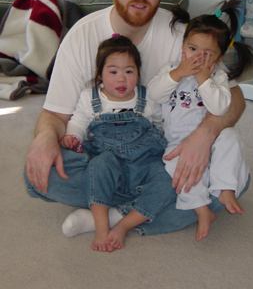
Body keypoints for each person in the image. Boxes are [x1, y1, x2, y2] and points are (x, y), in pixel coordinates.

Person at [25, 0, 249, 237]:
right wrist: (44, 137)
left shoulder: (184, 36)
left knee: (233, 178)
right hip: (102, 158)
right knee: (42, 173)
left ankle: (108, 212)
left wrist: (202, 137)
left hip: (161, 155)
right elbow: (55, 113)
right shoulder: (82, 35)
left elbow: (235, 100)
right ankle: (153, 205)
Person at [148, 0, 253, 241]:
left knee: (231, 138)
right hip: (177, 141)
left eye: (207, 54)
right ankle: (200, 207)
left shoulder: (218, 76)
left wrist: (204, 80)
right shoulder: (171, 68)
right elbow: (155, 94)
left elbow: (220, 108)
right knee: (174, 166)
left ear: (218, 58)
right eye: (193, 49)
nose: (197, 57)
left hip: (212, 135)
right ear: (183, 47)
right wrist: (177, 74)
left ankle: (225, 188)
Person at [59, 35, 175, 251]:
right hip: (109, 164)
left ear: (138, 73)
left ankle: (123, 224)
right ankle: (102, 227)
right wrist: (73, 136)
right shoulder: (90, 97)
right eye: (113, 72)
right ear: (100, 74)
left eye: (129, 72)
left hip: (145, 164)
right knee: (94, 166)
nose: (121, 79)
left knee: (171, 179)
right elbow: (78, 122)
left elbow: (161, 124)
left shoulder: (147, 97)